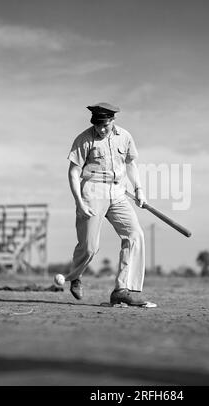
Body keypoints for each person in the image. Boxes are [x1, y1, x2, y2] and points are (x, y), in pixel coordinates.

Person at [65, 102, 148, 306]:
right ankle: (75, 276)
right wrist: (80, 202)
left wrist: (139, 189)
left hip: (119, 192)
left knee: (135, 235)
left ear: (113, 120)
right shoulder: (84, 139)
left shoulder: (125, 137)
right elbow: (74, 173)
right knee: (90, 246)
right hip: (92, 191)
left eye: (105, 125)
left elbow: (130, 164)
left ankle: (122, 289)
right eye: (97, 125)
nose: (101, 129)